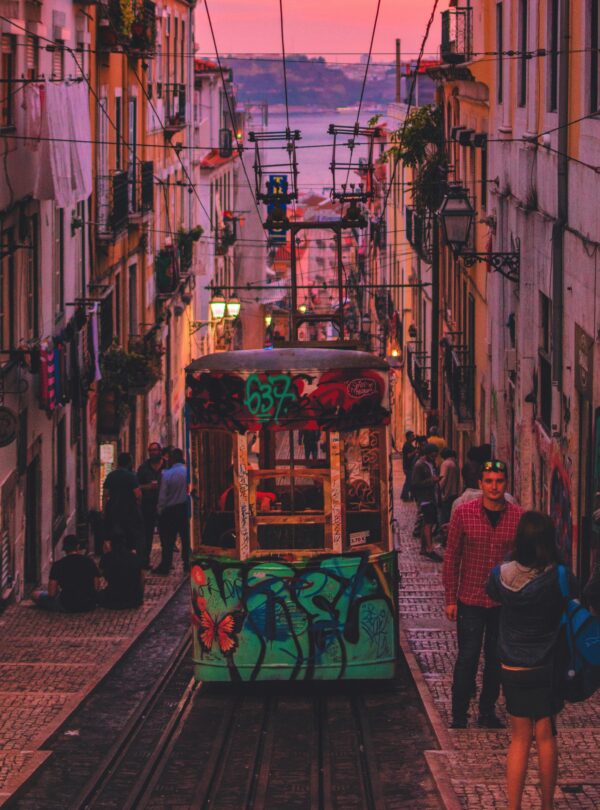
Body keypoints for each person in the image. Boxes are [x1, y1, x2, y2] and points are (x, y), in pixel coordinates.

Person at [486, 512, 577, 810]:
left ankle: (513, 807)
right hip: (545, 667)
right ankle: (547, 806)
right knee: (546, 736)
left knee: (519, 739)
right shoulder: (558, 576)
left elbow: (491, 592)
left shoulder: (501, 574)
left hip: (512, 667)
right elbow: (572, 596)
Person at [443, 459, 523, 729]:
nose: (494, 486)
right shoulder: (463, 514)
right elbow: (452, 557)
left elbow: (522, 561)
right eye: (489, 481)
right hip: (470, 599)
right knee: (467, 656)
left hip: (503, 601)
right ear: (480, 484)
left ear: (505, 484)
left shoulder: (517, 517)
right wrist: (449, 599)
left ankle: (487, 711)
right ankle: (458, 713)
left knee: (496, 658)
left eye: (499, 481)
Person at [32, 534, 100, 612]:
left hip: (67, 604)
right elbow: (96, 586)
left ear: (64, 549)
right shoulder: (89, 562)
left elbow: (51, 593)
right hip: (89, 604)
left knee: (35, 594)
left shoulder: (58, 565)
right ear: (78, 546)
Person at [155, 448, 190, 574]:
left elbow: (162, 495)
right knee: (186, 538)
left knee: (168, 540)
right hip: (184, 508)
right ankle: (187, 563)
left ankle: (166, 565)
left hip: (170, 511)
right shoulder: (187, 472)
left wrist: (159, 510)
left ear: (172, 459)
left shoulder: (166, 474)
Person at [103, 452, 144, 557]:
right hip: (129, 512)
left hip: (113, 511)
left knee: (115, 536)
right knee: (131, 538)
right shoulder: (132, 477)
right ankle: (130, 559)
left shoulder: (111, 476)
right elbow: (138, 495)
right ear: (129, 463)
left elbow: (106, 495)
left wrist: (105, 511)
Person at [411, 443, 443, 562]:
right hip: (424, 499)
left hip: (431, 497)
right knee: (428, 524)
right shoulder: (419, 465)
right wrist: (432, 480)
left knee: (427, 523)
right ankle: (430, 549)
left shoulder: (431, 464)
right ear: (427, 454)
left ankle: (424, 548)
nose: (434, 457)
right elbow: (415, 483)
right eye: (432, 455)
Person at [97, 534, 144, 609]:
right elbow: (141, 578)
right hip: (132, 597)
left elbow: (99, 574)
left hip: (114, 596)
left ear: (111, 544)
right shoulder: (134, 557)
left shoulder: (107, 557)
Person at [137, 443, 165, 569]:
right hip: (147, 505)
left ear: (160, 451)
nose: (153, 453)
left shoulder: (167, 466)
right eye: (151, 450)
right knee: (147, 534)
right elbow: (137, 487)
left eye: (155, 450)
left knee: (165, 534)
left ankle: (166, 561)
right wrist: (148, 486)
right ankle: (145, 560)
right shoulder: (143, 468)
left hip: (163, 505)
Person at [439, 447, 460, 525]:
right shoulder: (455, 463)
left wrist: (438, 491)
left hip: (446, 494)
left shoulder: (445, 464)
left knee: (444, 516)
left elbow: (442, 480)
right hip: (454, 493)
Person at [400, 430, 417, 501]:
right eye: (412, 436)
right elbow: (408, 456)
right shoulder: (406, 445)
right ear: (408, 437)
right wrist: (415, 451)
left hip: (410, 466)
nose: (413, 437)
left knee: (409, 481)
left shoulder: (410, 445)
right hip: (408, 466)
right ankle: (404, 495)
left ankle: (407, 495)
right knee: (409, 482)